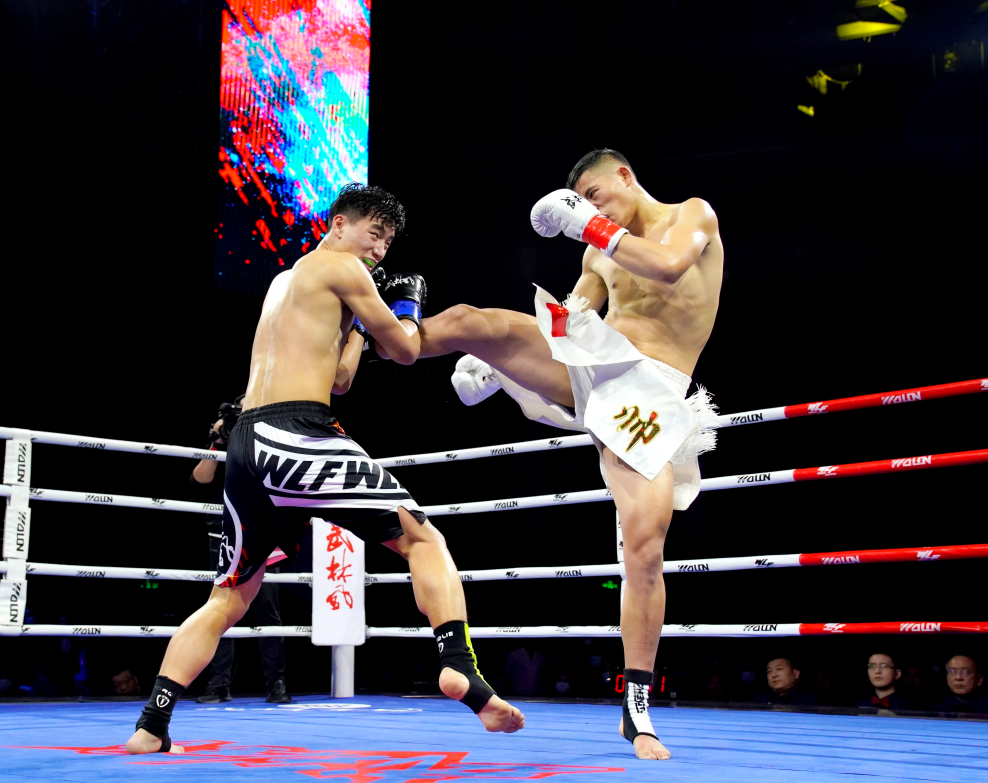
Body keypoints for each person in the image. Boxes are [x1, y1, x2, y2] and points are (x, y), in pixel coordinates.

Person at [126, 183, 524, 755]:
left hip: (247, 443)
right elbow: (406, 350)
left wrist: (358, 325)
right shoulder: (343, 267)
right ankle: (460, 666)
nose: (379, 250)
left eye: (387, 242)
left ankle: (151, 724)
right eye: (373, 233)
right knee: (423, 540)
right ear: (338, 225)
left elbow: (340, 379)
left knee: (229, 598)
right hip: (297, 434)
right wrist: (406, 309)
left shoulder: (285, 281)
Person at [412, 149, 722, 760]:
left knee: (645, 549)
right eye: (581, 201)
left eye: (595, 193)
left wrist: (591, 224)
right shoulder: (597, 249)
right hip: (596, 369)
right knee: (475, 322)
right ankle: (378, 335)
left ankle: (636, 708)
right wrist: (513, 358)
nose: (589, 207)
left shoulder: (691, 215)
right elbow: (570, 321)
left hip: (652, 397)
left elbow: (666, 267)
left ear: (625, 176)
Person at [190, 396, 291, 705]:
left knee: (267, 612)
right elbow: (199, 481)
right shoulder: (222, 444)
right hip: (222, 533)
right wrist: (216, 441)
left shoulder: (274, 437)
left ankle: (277, 685)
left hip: (262, 533)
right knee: (219, 610)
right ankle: (218, 685)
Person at [752, 657, 818, 706]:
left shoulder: (807, 701)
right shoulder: (761, 699)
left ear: (795, 674)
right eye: (769, 671)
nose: (774, 675)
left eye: (779, 669)